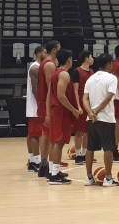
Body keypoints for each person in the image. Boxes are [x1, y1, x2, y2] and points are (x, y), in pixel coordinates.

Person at [83, 54, 119, 187]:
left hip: (91, 119)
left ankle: (88, 177)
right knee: (108, 148)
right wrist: (96, 111)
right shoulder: (111, 78)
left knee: (90, 148)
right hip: (106, 118)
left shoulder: (90, 79)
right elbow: (109, 97)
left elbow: (85, 98)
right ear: (108, 64)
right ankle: (108, 178)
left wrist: (90, 112)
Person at [48, 49, 81, 185]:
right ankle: (54, 175)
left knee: (58, 142)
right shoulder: (63, 74)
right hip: (61, 111)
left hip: (58, 110)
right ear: (69, 59)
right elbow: (61, 96)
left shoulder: (57, 73)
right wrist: (73, 110)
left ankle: (54, 170)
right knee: (59, 142)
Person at [36, 40, 61, 178]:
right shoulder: (49, 64)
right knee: (49, 136)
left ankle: (45, 164)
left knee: (45, 134)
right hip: (47, 104)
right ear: (54, 51)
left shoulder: (45, 63)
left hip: (43, 102)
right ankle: (50, 167)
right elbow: (51, 88)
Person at [70, 51, 94, 165]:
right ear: (86, 58)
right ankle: (78, 155)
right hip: (80, 102)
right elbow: (75, 90)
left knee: (88, 131)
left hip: (90, 103)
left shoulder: (92, 72)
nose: (93, 59)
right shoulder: (76, 72)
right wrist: (78, 105)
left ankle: (85, 154)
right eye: (91, 57)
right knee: (79, 131)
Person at [26, 45, 46, 173]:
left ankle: (33, 160)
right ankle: (36, 161)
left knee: (33, 134)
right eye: (44, 52)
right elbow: (35, 88)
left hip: (35, 105)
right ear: (39, 53)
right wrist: (41, 104)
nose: (46, 53)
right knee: (35, 134)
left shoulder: (38, 67)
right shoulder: (35, 68)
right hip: (35, 106)